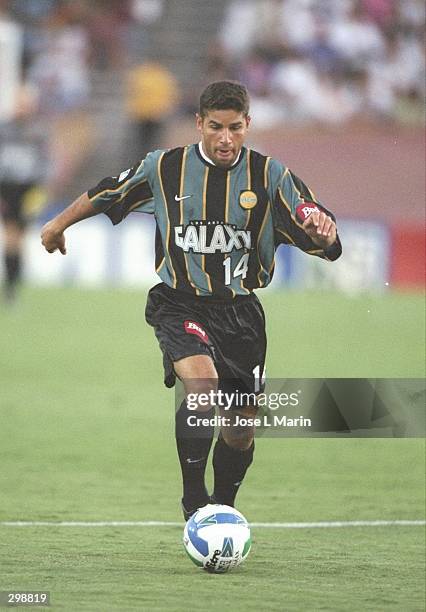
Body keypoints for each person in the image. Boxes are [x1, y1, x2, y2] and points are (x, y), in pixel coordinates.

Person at [41, 81, 342, 520]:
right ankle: (193, 502)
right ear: (199, 123)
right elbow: (108, 190)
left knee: (240, 429)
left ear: (248, 125)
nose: (225, 139)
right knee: (201, 387)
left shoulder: (270, 175)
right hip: (178, 302)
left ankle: (222, 510)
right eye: (215, 127)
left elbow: (315, 224)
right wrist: (57, 224)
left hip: (241, 314)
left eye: (235, 128)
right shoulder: (164, 167)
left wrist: (325, 232)